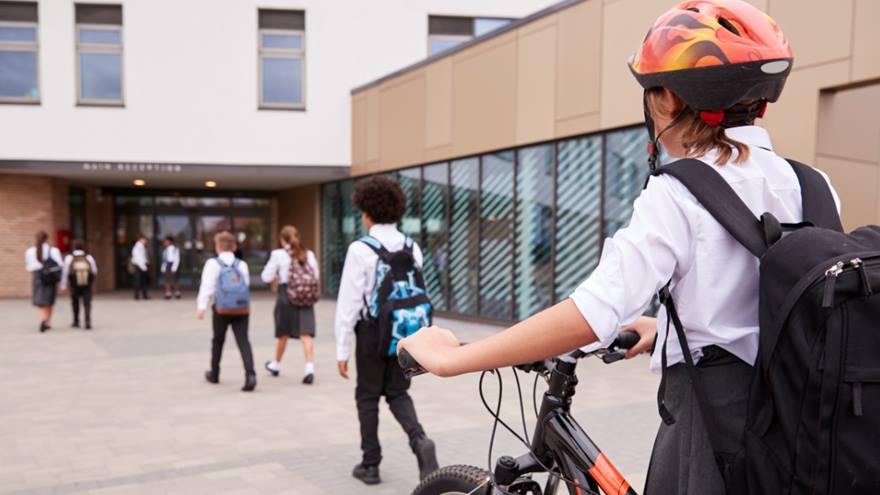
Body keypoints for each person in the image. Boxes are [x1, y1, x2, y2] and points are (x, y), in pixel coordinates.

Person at [398, 1, 840, 494]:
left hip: (716, 428)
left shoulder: (679, 192)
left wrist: (452, 359)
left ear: (669, 98)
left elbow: (592, 313)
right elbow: (778, 296)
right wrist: (667, 328)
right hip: (804, 423)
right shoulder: (813, 184)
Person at [335, 176, 438, 486]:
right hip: (404, 335)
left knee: (367, 397)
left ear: (366, 212)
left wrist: (342, 349)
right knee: (397, 392)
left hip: (371, 334)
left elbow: (349, 304)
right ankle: (420, 442)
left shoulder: (360, 249)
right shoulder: (412, 246)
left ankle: (370, 465)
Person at [197, 230, 256, 392]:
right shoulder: (242, 265)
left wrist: (201, 307)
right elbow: (246, 286)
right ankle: (250, 374)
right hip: (242, 308)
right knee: (243, 340)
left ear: (217, 247)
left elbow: (207, 287)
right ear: (234, 247)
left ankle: (214, 373)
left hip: (221, 309)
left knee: (218, 340)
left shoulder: (213, 264)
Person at [262, 225, 320, 384]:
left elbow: (265, 277)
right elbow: (316, 275)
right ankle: (309, 368)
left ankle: (276, 364)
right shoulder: (309, 254)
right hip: (306, 297)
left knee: (284, 333)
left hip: (286, 296)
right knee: (306, 334)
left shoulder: (278, 255)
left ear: (282, 239)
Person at [24, 231, 63, 332]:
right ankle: (47, 322)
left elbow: (29, 267)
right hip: (50, 278)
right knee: (49, 301)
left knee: (40, 302)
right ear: (47, 239)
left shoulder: (30, 251)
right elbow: (59, 265)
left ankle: (43, 320)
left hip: (37, 277)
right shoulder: (53, 250)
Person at [60, 239, 97, 330]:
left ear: (73, 246)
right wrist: (91, 280)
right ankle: (87, 321)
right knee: (87, 303)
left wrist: (63, 285)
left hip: (74, 284)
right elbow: (94, 270)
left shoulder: (69, 257)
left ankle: (76, 321)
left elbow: (65, 272)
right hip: (86, 284)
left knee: (75, 302)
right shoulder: (89, 257)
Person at [161, 236, 181, 300]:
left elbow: (177, 259)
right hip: (167, 264)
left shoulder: (175, 249)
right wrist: (163, 267)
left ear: (170, 241)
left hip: (173, 264)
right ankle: (168, 293)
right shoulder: (165, 250)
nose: (165, 243)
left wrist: (174, 267)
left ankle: (177, 292)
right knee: (167, 280)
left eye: (166, 241)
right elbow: (164, 259)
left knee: (175, 280)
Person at [131, 234, 150, 300]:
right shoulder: (137, 247)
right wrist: (143, 267)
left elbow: (144, 257)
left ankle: (144, 295)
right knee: (138, 281)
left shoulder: (142, 247)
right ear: (140, 239)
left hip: (142, 265)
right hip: (139, 266)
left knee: (143, 281)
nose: (145, 241)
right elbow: (138, 258)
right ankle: (136, 295)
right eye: (144, 239)